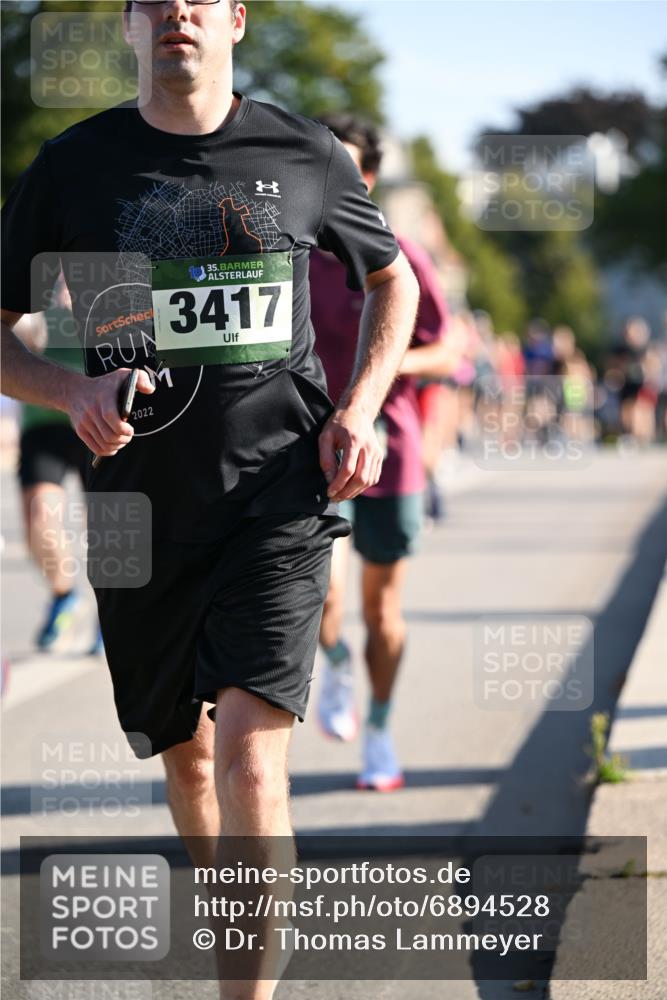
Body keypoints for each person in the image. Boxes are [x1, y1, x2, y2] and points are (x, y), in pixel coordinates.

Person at [1, 2, 419, 996]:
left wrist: (360, 406)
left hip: (277, 498)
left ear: (233, 20)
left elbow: (393, 282)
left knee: (249, 767)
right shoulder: (74, 166)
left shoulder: (304, 150)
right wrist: (71, 387)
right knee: (186, 765)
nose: (178, 9)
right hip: (137, 515)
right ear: (134, 26)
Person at [308, 114, 454, 790]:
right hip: (308, 453)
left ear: (365, 177)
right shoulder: (288, 252)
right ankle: (335, 664)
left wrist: (384, 366)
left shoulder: (394, 251)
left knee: (382, 612)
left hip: (389, 450)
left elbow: (450, 349)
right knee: (322, 604)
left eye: (343, 164)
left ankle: (380, 731)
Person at [16, 273, 103, 653]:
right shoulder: (31, 259)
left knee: (107, 527)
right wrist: (32, 317)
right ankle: (64, 594)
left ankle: (111, 618)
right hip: (45, 415)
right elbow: (18, 337)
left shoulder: (107, 256)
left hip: (100, 410)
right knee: (39, 517)